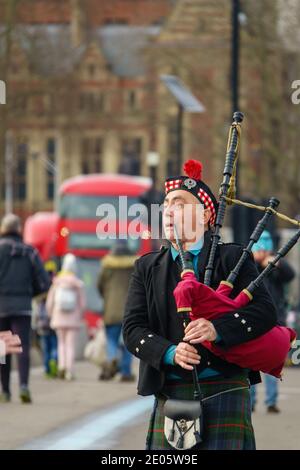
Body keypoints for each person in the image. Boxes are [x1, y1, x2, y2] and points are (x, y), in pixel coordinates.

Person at [123, 159, 277, 450]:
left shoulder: (233, 258)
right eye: (166, 204)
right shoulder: (146, 267)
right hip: (171, 391)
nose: (169, 210)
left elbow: (265, 312)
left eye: (179, 204)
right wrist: (169, 351)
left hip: (225, 386)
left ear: (206, 214)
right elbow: (132, 329)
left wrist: (216, 329)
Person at [0, 214, 50, 403]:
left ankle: (4, 389)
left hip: (1, 307)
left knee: (3, 349)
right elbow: (44, 281)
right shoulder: (30, 252)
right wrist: (31, 293)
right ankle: (23, 386)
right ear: (19, 230)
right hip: (23, 307)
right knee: (22, 347)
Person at [250, 230, 295, 413]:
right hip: (252, 320)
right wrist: (254, 261)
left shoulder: (275, 266)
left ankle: (271, 401)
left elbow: (290, 275)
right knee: (250, 364)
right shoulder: (248, 266)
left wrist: (276, 263)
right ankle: (250, 401)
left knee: (273, 362)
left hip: (274, 321)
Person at [97, 240, 137, 382]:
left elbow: (99, 286)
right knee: (128, 341)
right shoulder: (134, 265)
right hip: (130, 310)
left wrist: (107, 298)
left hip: (111, 310)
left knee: (111, 339)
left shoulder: (107, 266)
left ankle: (112, 359)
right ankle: (126, 372)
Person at [46, 254, 85, 381]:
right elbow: (82, 304)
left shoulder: (57, 282)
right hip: (73, 319)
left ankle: (62, 367)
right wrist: (79, 315)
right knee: (70, 345)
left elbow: (50, 302)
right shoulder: (77, 283)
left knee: (61, 344)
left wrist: (51, 314)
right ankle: (69, 371)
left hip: (58, 317)